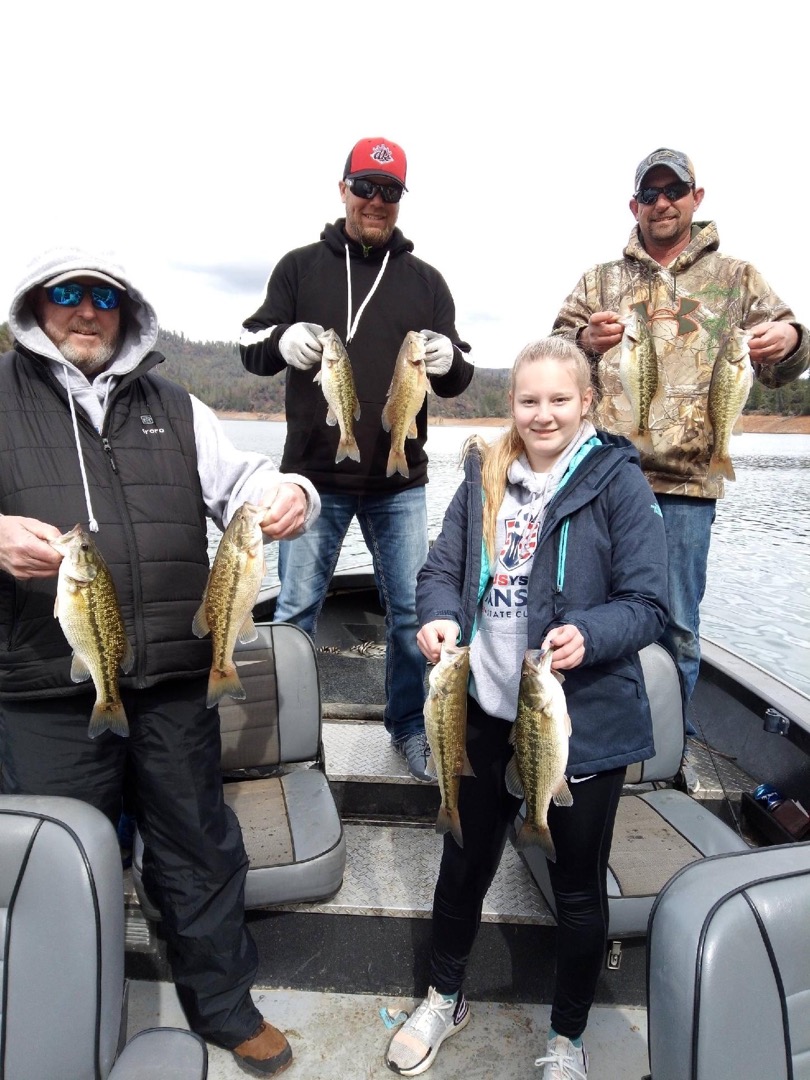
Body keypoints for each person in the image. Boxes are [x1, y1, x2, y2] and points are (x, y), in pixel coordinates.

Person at [0, 246, 322, 1078]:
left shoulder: (175, 407)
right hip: (43, 683)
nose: (85, 311)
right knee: (54, 856)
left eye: (104, 297)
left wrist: (293, 494)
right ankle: (55, 1010)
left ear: (127, 312)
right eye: (66, 294)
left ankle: (222, 1004)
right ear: (37, 304)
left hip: (178, 679)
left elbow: (250, 482)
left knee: (199, 844)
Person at [384, 337, 668, 1078]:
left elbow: (648, 605)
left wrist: (591, 632)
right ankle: (445, 994)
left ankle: (566, 1040)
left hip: (583, 722)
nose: (543, 414)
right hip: (480, 709)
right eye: (528, 399)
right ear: (511, 403)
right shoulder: (483, 474)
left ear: (587, 403)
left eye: (559, 400)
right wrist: (438, 615)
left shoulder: (617, 482)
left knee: (578, 889)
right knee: (463, 862)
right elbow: (441, 567)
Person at [551, 147, 809, 770]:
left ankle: (667, 753)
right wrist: (582, 340)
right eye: (651, 192)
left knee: (679, 625)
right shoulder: (601, 281)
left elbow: (787, 364)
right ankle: (590, 745)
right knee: (588, 617)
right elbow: (554, 353)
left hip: (690, 485)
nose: (663, 202)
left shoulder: (739, 278)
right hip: (602, 481)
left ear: (697, 197)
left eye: (675, 190)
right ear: (633, 205)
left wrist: (792, 341)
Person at [239, 136, 473, 783]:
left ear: (401, 199)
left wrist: (451, 361)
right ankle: (286, 738)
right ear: (342, 188)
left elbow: (457, 375)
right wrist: (281, 341)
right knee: (294, 614)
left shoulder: (427, 284)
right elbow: (249, 346)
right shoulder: (298, 268)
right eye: (365, 187)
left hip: (399, 482)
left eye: (390, 191)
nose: (376, 201)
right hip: (313, 480)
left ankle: (406, 729)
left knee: (411, 617)